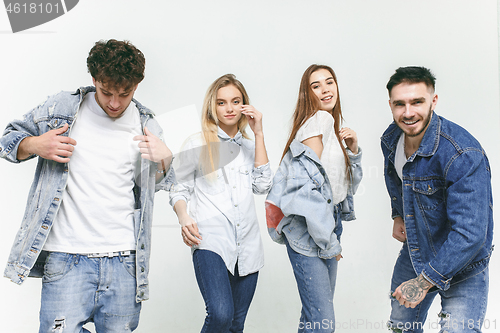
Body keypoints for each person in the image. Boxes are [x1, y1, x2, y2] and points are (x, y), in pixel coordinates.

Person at [0, 39, 175, 333]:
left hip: (124, 261)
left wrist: (166, 159)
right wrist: (36, 144)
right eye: (107, 92)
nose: (115, 103)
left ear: (137, 85)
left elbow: (157, 187)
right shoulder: (61, 108)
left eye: (125, 93)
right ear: (94, 80)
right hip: (65, 258)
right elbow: (7, 141)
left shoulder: (147, 124)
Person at [381, 66, 494, 333]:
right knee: (400, 327)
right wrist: (398, 212)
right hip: (417, 248)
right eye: (400, 104)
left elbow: (470, 233)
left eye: (417, 102)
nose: (408, 113)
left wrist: (423, 282)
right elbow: (397, 177)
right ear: (390, 105)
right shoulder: (391, 139)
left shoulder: (462, 153)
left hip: (464, 260)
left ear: (434, 101)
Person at [169, 74, 272, 333]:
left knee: (236, 325)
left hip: (248, 246)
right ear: (212, 107)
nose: (229, 108)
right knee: (220, 315)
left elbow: (262, 185)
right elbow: (178, 188)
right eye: (222, 102)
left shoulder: (250, 146)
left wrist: (258, 133)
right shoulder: (197, 143)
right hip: (210, 242)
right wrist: (184, 218)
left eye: (236, 101)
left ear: (244, 105)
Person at [265, 64, 362, 332]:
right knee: (322, 324)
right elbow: (305, 192)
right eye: (315, 85)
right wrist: (329, 242)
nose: (325, 89)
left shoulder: (330, 125)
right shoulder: (318, 121)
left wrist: (353, 151)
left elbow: (344, 185)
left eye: (329, 82)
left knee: (313, 320)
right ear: (306, 93)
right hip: (310, 229)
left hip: (325, 224)